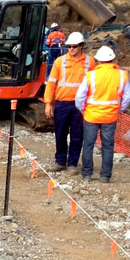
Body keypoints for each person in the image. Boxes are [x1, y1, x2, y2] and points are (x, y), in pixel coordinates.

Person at [76, 45, 130, 182]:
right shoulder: (121, 75)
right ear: (112, 59)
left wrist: (83, 110)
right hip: (110, 117)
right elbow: (128, 97)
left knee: (88, 144)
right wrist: (118, 109)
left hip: (91, 116)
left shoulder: (91, 75)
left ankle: (87, 174)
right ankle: (105, 176)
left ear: (99, 61)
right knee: (108, 146)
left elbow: (79, 97)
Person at [43, 32, 92, 171]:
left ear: (81, 46)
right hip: (63, 103)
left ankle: (72, 164)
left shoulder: (90, 62)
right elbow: (51, 83)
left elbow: (94, 84)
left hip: (81, 106)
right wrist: (48, 103)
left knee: (77, 135)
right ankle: (60, 162)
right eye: (69, 46)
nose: (71, 49)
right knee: (60, 133)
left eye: (74, 46)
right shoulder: (60, 61)